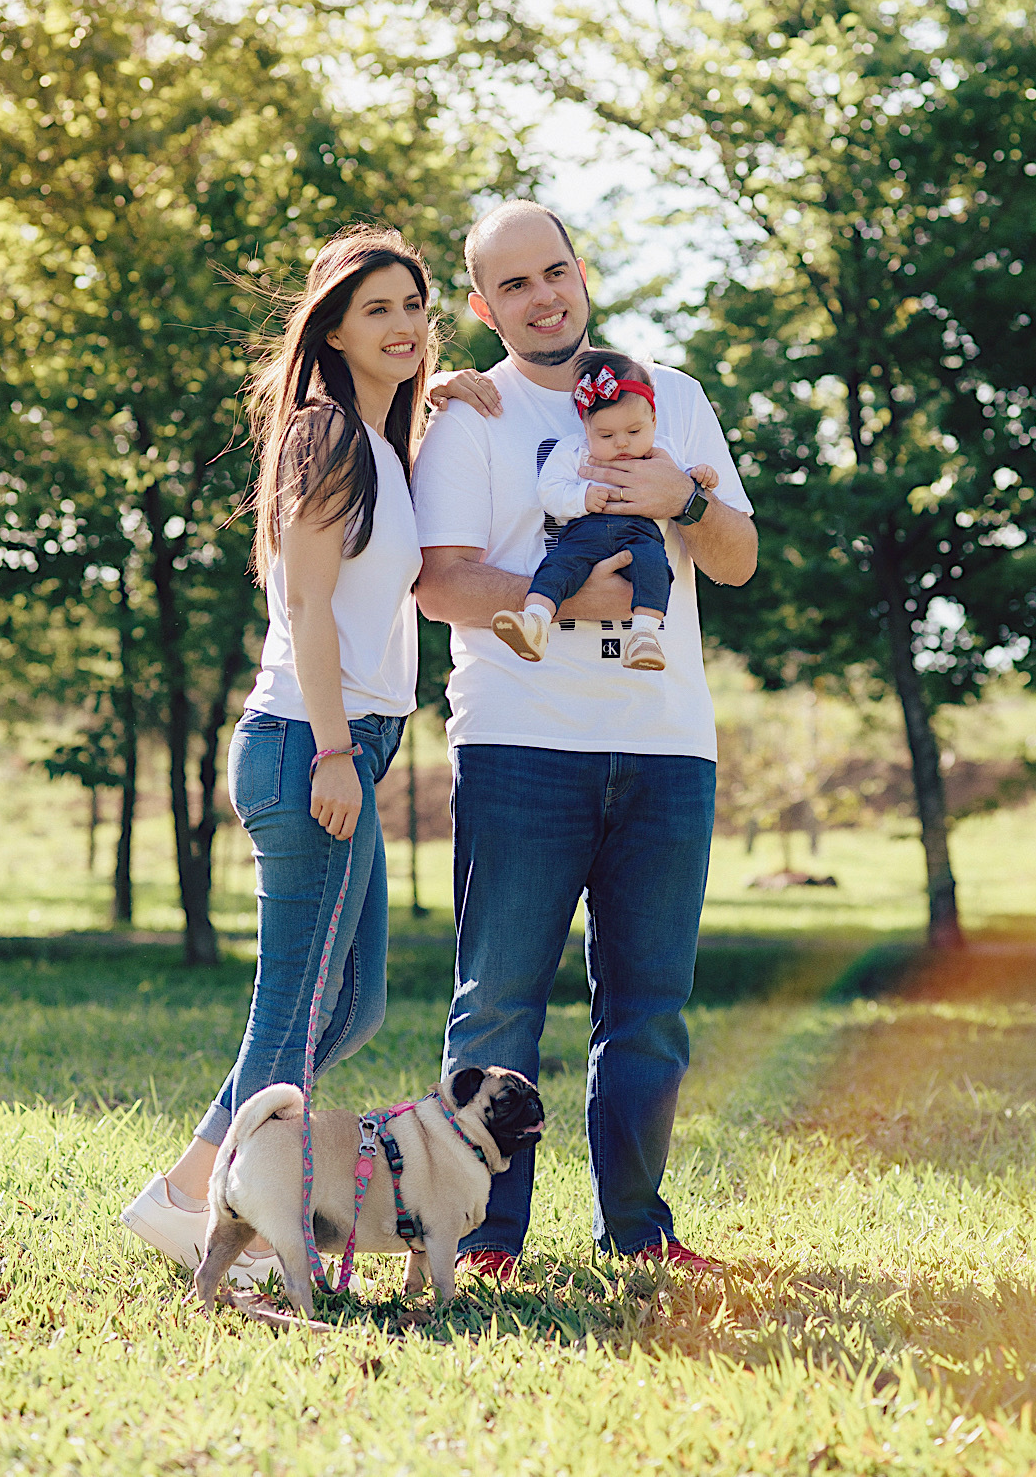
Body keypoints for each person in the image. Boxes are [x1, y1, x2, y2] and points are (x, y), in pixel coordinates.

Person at [121, 224, 480, 1284]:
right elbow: (312, 609)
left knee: (352, 1004)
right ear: (330, 325)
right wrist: (334, 751)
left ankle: (192, 1185)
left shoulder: (376, 443)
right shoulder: (325, 434)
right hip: (307, 745)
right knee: (292, 1012)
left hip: (343, 746)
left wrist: (446, 388)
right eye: (378, 309)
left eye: (415, 306)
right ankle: (207, 1208)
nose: (406, 325)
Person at [413, 200, 758, 1276]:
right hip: (521, 745)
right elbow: (439, 583)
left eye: (553, 270)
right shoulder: (472, 415)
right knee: (500, 1002)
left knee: (649, 1010)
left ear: (582, 271)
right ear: (483, 305)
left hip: (666, 746)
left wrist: (683, 498)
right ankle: (481, 1235)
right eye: (512, 285)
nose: (541, 295)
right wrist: (578, 602)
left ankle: (639, 1233)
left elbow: (740, 558)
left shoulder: (682, 399)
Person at [492, 348, 720, 672]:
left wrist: (698, 477)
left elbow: (681, 483)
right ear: (586, 428)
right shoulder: (573, 452)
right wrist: (582, 497)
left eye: (634, 431)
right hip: (584, 533)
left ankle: (643, 636)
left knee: (655, 566)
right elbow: (550, 491)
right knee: (557, 565)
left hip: (640, 533)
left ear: (653, 420)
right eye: (606, 435)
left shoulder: (662, 453)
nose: (622, 443)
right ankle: (535, 621)